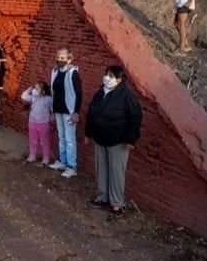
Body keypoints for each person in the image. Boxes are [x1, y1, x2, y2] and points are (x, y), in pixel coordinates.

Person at [84, 65, 143, 220]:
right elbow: (91, 113)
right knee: (101, 169)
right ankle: (102, 197)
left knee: (116, 173)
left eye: (111, 76)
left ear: (119, 79)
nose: (107, 78)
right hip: (99, 139)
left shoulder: (126, 96)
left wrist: (131, 139)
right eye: (106, 75)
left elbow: (135, 117)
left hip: (118, 141)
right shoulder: (100, 92)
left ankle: (117, 204)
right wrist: (88, 133)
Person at [49, 48, 83, 178]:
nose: (59, 60)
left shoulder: (73, 73)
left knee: (70, 139)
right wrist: (52, 109)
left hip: (69, 110)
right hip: (58, 109)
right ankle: (62, 162)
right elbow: (53, 91)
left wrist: (76, 112)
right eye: (58, 57)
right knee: (61, 137)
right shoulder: (55, 71)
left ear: (69, 59)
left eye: (63, 58)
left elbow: (79, 93)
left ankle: (72, 166)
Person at [21, 81, 53, 166]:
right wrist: (29, 89)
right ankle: (32, 155)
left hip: (44, 123)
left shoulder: (48, 99)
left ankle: (46, 158)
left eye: (37, 89)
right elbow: (23, 96)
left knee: (44, 141)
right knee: (33, 140)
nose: (35, 90)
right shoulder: (33, 97)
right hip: (32, 122)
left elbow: (53, 109)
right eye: (34, 88)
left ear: (43, 91)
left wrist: (52, 117)